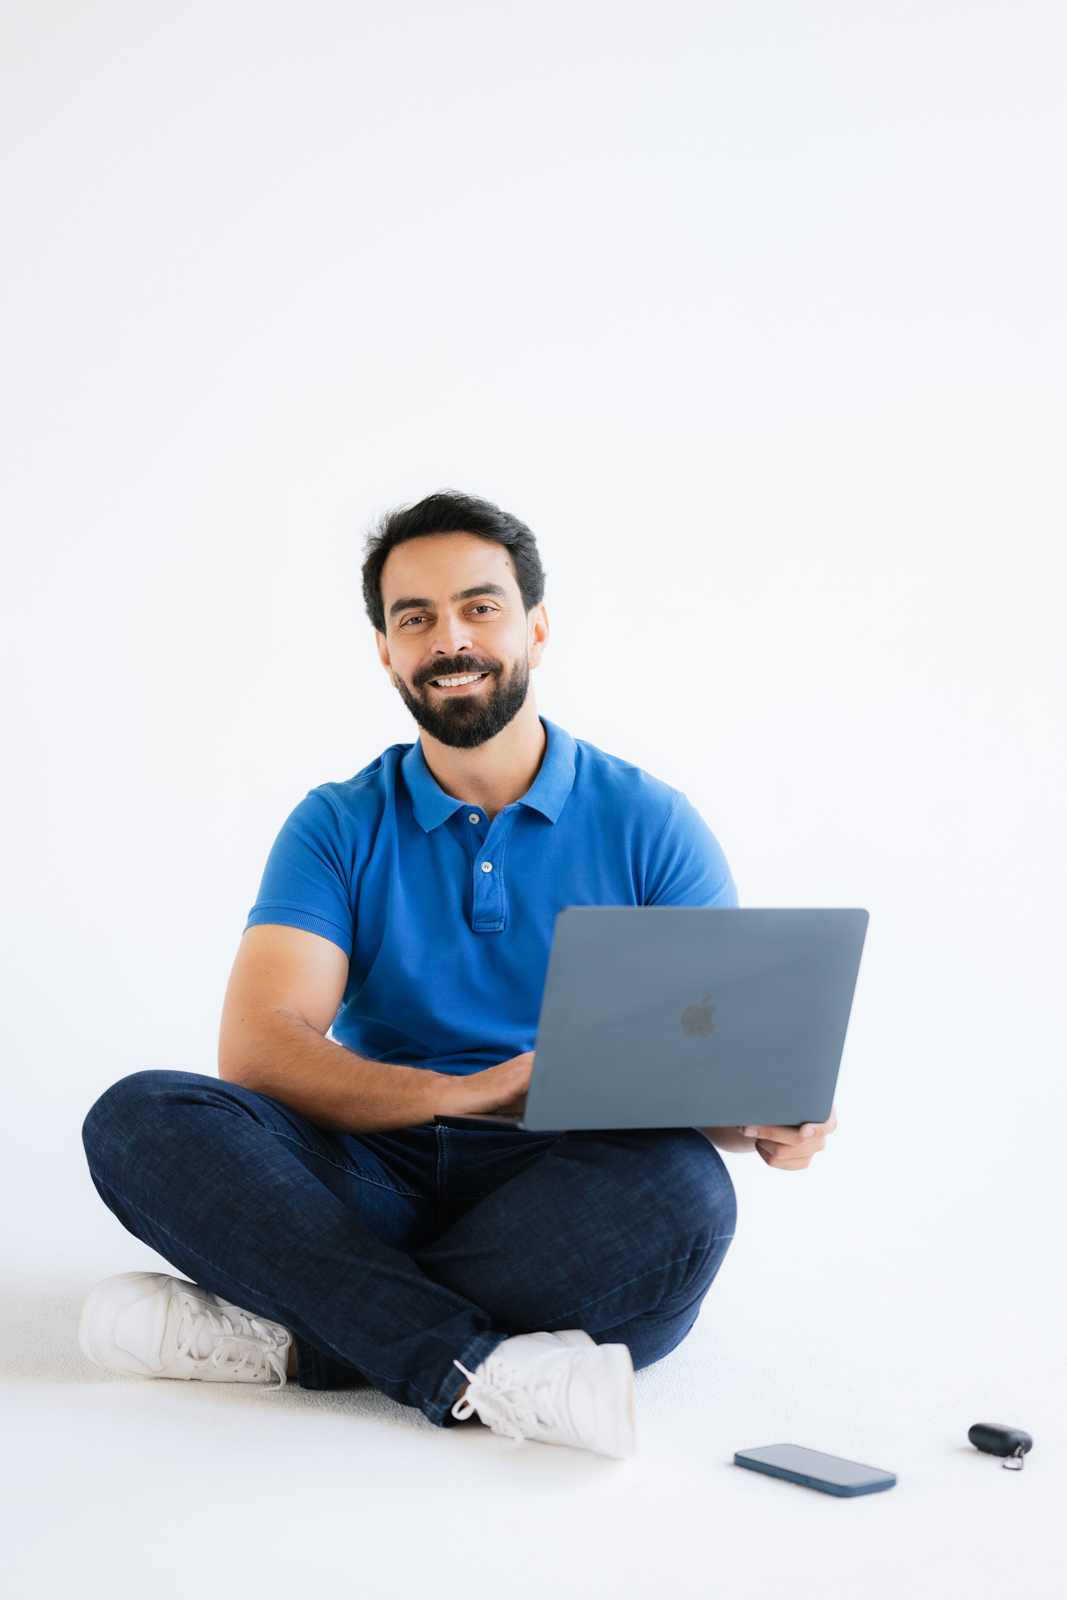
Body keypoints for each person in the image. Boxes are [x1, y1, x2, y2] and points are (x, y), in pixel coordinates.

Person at [79, 491, 836, 1457]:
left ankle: (300, 1331)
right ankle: (478, 1365)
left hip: (556, 1188)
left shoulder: (650, 822)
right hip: (366, 1167)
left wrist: (762, 1121)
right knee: (141, 1117)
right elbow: (260, 1051)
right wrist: (465, 1091)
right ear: (386, 651)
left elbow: (702, 1074)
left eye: (480, 607)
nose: (450, 640)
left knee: (683, 1196)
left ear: (535, 627)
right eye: (415, 618)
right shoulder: (337, 823)